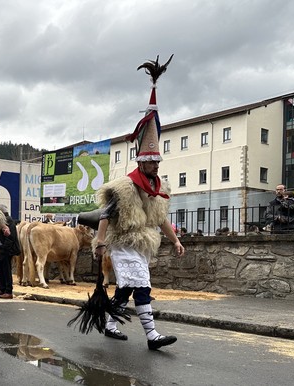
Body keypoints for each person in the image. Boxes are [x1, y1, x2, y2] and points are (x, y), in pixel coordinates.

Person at [90, 55, 184, 351]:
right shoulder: (126, 186)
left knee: (127, 288)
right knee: (142, 286)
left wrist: (175, 241)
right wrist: (100, 242)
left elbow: (160, 219)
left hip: (142, 245)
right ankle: (152, 335)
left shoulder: (158, 188)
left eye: (158, 161)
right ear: (141, 161)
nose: (155, 166)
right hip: (124, 243)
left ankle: (108, 321)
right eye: (151, 162)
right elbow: (107, 214)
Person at [0, 204, 19, 299]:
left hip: (6, 250)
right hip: (2, 249)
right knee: (1, 270)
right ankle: (2, 289)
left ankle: (8, 291)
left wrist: (3, 249)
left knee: (6, 271)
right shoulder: (5, 220)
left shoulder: (8, 221)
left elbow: (10, 238)